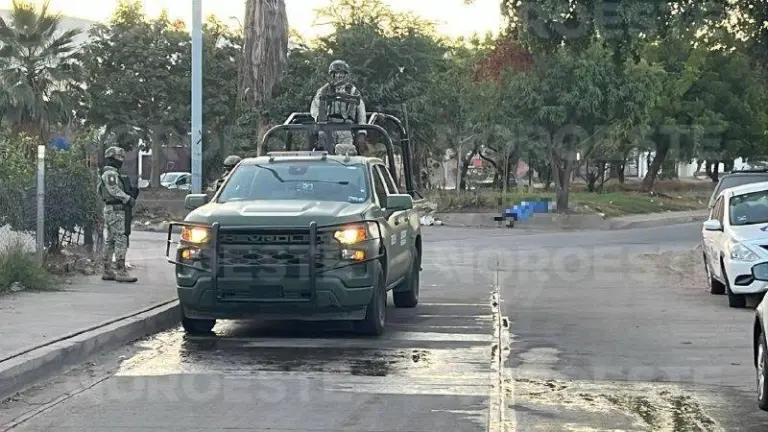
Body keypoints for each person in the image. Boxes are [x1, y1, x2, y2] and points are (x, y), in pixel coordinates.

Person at [97, 146, 137, 283]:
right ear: (111, 159)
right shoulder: (110, 173)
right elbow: (113, 189)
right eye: (118, 158)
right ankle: (121, 271)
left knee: (111, 241)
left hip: (112, 209)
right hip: (116, 209)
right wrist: (127, 198)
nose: (120, 161)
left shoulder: (110, 173)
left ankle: (107, 270)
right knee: (121, 238)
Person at [310, 59, 367, 155]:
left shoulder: (353, 91)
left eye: (341, 73)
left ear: (345, 75)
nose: (338, 76)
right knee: (325, 153)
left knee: (346, 154)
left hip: (346, 127)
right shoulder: (323, 90)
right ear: (331, 75)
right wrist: (319, 121)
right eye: (335, 73)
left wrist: (362, 132)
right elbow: (314, 107)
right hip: (328, 127)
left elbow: (361, 111)